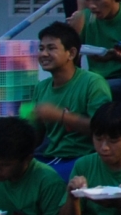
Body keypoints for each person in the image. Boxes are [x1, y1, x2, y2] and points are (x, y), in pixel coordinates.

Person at [26, 22, 114, 178]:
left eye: (51, 48)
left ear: (71, 53)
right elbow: (34, 135)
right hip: (49, 156)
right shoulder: (41, 87)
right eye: (41, 48)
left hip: (82, 158)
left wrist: (60, 116)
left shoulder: (93, 82)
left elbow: (103, 128)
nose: (44, 54)